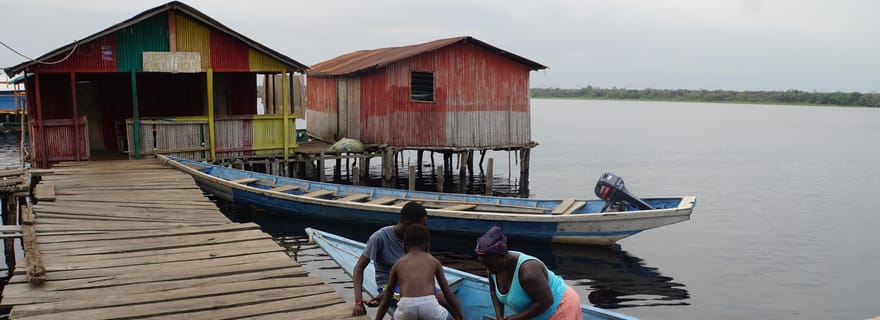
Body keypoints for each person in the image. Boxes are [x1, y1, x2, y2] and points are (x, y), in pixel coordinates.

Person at [475, 226, 583, 320]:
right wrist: (499, 317)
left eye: (489, 264)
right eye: (483, 264)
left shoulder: (528, 272)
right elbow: (494, 292)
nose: (487, 268)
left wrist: (516, 318)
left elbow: (546, 301)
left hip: (559, 306)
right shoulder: (493, 268)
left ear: (502, 257)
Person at [352, 202, 430, 316]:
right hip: (386, 286)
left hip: (413, 283)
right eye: (421, 225)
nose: (424, 229)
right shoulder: (379, 237)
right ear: (408, 224)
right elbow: (359, 267)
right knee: (411, 300)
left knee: (437, 298)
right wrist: (358, 301)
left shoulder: (418, 240)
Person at [375, 224, 464, 320]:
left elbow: (387, 299)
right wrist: (460, 317)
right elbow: (448, 295)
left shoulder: (398, 264)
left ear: (404, 245)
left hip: (406, 306)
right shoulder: (433, 261)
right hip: (429, 305)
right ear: (427, 245)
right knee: (448, 317)